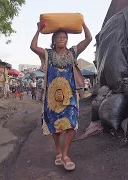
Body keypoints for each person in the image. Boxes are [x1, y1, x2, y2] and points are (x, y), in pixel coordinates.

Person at [30, 20, 92, 171]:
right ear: (53, 40)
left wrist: (82, 23)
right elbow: (32, 47)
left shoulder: (73, 52)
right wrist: (38, 30)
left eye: (64, 37)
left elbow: (89, 39)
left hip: (70, 96)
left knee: (71, 124)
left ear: (67, 40)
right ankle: (58, 152)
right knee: (54, 125)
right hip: (52, 98)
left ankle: (65, 155)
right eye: (58, 37)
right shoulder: (48, 54)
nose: (62, 39)